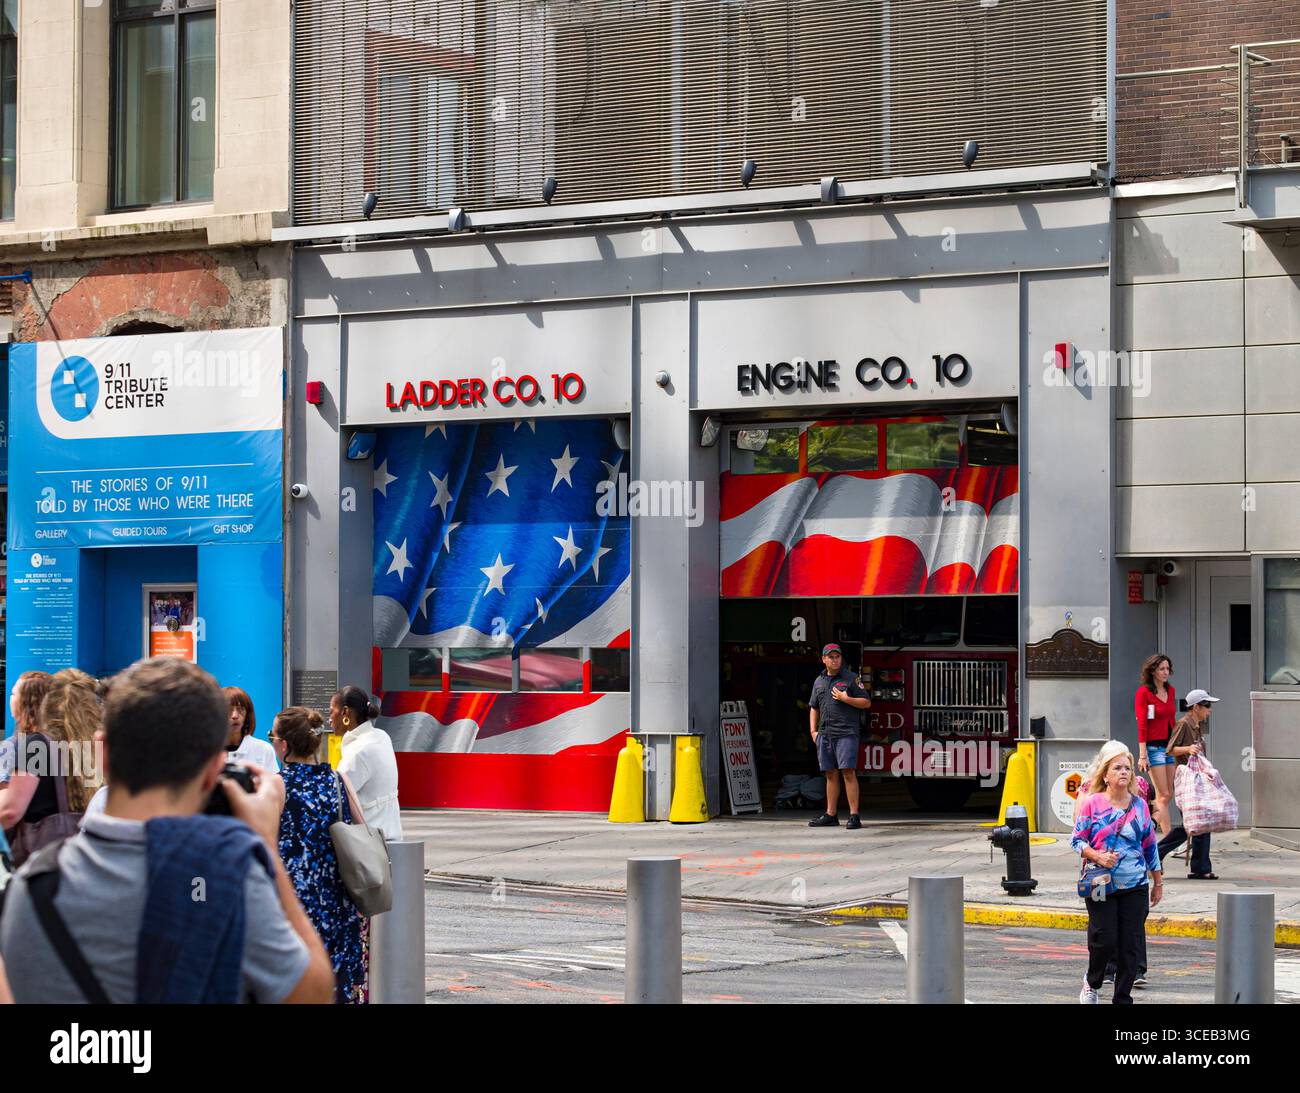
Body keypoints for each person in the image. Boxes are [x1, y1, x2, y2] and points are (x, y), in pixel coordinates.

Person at [0, 657, 335, 1003]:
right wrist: (264, 843)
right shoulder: (226, 876)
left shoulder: (30, 891)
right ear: (213, 770)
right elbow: (312, 993)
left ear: (101, 753)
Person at [272, 707, 367, 1003]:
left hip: (294, 905)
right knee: (335, 986)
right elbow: (362, 831)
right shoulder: (338, 780)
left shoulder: (276, 785)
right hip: (337, 904)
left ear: (284, 746)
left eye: (272, 736)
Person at [1072, 741, 1162, 1005]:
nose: (1124, 772)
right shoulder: (1092, 804)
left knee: (1131, 944)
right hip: (1101, 882)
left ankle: (1122, 997)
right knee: (1105, 939)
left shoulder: (1139, 806)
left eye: (1128, 768)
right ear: (1106, 774)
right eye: (1118, 768)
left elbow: (1150, 845)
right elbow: (1077, 840)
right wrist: (1097, 855)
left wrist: (1157, 881)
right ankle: (1092, 981)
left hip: (1135, 883)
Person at [0, 670, 102, 866]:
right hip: (82, 857)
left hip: (42, 859)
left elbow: (10, 811)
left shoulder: (36, 744)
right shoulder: (90, 747)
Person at [806, 643, 871, 830]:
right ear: (824, 659)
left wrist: (846, 699)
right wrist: (813, 731)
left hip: (846, 733)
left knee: (848, 772)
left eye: (837, 656)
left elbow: (866, 702)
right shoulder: (818, 681)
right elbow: (813, 707)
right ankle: (831, 814)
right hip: (825, 733)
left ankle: (854, 815)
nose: (835, 660)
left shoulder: (851, 679)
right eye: (831, 657)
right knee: (830, 774)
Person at [1158, 688, 1219, 880]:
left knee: (1200, 823)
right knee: (1193, 824)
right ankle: (1156, 852)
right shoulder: (1184, 724)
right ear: (1195, 707)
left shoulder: (1197, 725)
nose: (1210, 710)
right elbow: (1170, 749)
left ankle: (1200, 868)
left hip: (1198, 781)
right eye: (1207, 706)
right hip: (1188, 783)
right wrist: (1189, 748)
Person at [333, 686, 402, 840]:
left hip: (368, 841)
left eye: (331, 711)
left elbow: (337, 797)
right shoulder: (381, 737)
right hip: (390, 833)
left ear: (345, 712)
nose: (329, 718)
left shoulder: (358, 752)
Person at [1134, 653, 1177, 838]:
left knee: (1169, 794)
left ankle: (1149, 823)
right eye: (1162, 669)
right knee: (1163, 794)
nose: (1165, 672)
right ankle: (1168, 839)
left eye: (1167, 669)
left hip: (1170, 746)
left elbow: (1171, 719)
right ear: (1152, 671)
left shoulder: (1171, 690)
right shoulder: (1144, 693)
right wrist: (1142, 755)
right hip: (1153, 748)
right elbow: (1142, 723)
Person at [0, 672, 54, 787]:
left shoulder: (13, 745)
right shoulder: (62, 740)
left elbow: (5, 792)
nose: (10, 698)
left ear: (27, 703)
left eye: (13, 694)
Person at [225, 686, 279, 771]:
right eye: (229, 710)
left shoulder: (264, 749)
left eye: (240, 709)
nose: (235, 716)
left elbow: (273, 783)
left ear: (247, 715)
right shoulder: (207, 751)